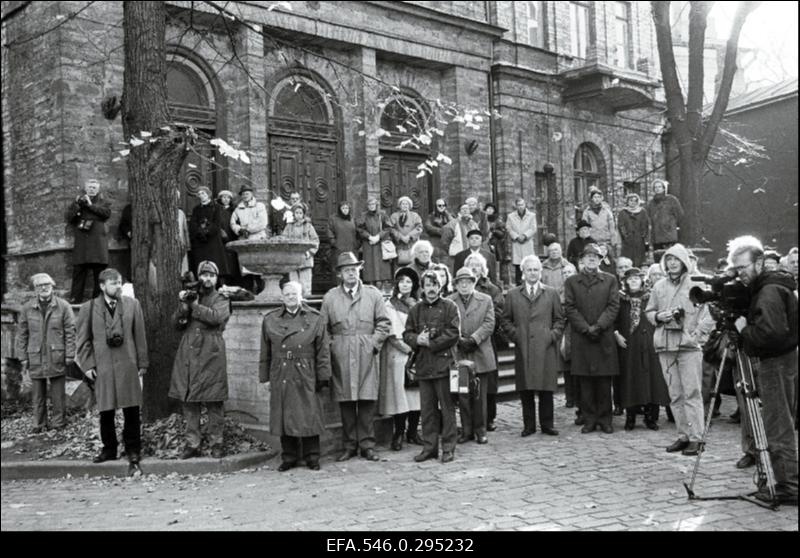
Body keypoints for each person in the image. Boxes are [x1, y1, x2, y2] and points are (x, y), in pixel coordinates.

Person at [729, 236, 798, 504]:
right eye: (735, 270)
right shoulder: (774, 286)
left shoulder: (769, 291)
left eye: (743, 268)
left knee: (778, 424)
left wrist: (743, 329)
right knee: (781, 422)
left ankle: (789, 487)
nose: (740, 275)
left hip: (776, 362)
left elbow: (769, 334)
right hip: (785, 359)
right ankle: (787, 481)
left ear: (759, 263)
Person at [75, 268, 148, 475]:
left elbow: (139, 336)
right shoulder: (89, 308)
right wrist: (88, 366)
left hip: (128, 364)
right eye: (113, 283)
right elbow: (83, 341)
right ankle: (109, 449)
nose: (118, 286)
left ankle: (133, 449)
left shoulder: (133, 305)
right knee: (106, 410)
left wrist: (142, 362)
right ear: (102, 286)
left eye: (119, 282)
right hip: (103, 366)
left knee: (131, 408)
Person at [321, 252, 391, 462]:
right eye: (346, 270)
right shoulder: (330, 297)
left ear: (359, 270)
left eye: (354, 268)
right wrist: (333, 346)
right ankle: (349, 445)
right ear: (340, 274)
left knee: (367, 400)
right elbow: (322, 329)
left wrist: (373, 343)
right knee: (346, 402)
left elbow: (384, 323)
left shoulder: (373, 294)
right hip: (341, 353)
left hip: (366, 351)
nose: (351, 272)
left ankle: (367, 445)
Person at [645, 244, 714, 456]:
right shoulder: (659, 286)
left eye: (676, 259)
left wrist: (696, 338)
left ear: (684, 261)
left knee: (692, 393)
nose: (672, 263)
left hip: (688, 348)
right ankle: (683, 435)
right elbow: (649, 310)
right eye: (669, 259)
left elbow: (710, 316)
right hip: (665, 346)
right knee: (675, 394)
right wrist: (658, 316)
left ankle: (697, 438)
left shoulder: (697, 283)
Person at [260, 281, 331, 471]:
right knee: (285, 414)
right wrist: (265, 377)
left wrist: (323, 376)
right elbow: (265, 351)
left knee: (309, 413)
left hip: (306, 370)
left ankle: (312, 456)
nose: (291, 297)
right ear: (282, 297)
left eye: (294, 294)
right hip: (281, 370)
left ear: (302, 296)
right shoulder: (270, 319)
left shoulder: (315, 318)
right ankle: (289, 456)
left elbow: (323, 351)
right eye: (287, 294)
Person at [169, 261, 231, 459]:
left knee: (214, 402)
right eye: (204, 275)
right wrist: (183, 308)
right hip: (189, 353)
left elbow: (216, 318)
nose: (207, 279)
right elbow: (176, 324)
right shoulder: (191, 296)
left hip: (211, 353)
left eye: (211, 275)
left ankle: (216, 442)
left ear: (216, 278)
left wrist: (194, 306)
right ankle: (192, 443)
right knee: (190, 401)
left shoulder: (221, 298)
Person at [502, 255, 565, 436]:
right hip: (524, 347)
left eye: (536, 269)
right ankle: (528, 425)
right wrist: (516, 335)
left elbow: (559, 319)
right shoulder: (514, 294)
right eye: (529, 269)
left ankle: (547, 424)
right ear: (523, 272)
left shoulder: (551, 293)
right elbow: (505, 320)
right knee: (526, 387)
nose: (532, 273)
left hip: (545, 347)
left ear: (541, 272)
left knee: (546, 387)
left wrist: (552, 336)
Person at [403, 270, 460, 463]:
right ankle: (430, 448)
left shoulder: (450, 307)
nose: (432, 289)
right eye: (428, 285)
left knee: (447, 408)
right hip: (424, 367)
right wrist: (416, 339)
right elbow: (407, 333)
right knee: (427, 410)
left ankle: (449, 448)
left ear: (441, 286)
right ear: (423, 287)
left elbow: (453, 333)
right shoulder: (415, 310)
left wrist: (432, 344)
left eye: (435, 285)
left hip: (444, 367)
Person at [564, 244, 620, 434]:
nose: (591, 259)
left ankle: (605, 419)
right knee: (585, 382)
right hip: (582, 338)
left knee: (604, 382)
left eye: (595, 257)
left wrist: (598, 326)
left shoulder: (610, 280)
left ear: (600, 260)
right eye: (588, 256)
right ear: (581, 260)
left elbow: (613, 306)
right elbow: (569, 308)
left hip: (603, 337)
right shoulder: (572, 282)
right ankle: (589, 419)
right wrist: (585, 328)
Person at [15, 273, 76, 433]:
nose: (43, 288)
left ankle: (58, 423)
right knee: (37, 395)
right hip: (35, 355)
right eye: (40, 285)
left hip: (56, 355)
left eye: (47, 285)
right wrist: (22, 357)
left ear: (52, 286)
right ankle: (39, 424)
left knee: (58, 393)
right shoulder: (27, 308)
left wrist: (70, 354)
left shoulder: (63, 306)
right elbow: (22, 334)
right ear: (35, 289)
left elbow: (70, 332)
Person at [614, 268, 669, 430]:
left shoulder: (651, 297)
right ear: (625, 281)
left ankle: (650, 417)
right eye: (630, 279)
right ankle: (630, 416)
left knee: (651, 378)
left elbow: (658, 317)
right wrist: (616, 334)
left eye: (636, 278)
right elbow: (614, 319)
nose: (633, 281)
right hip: (628, 345)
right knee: (630, 378)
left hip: (649, 343)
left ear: (642, 280)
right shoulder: (620, 299)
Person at [449, 267, 496, 444]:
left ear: (473, 283)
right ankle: (466, 430)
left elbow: (489, 323)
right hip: (458, 353)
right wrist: (458, 339)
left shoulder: (485, 300)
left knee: (480, 396)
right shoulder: (450, 301)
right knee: (462, 394)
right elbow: (448, 323)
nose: (464, 285)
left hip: (480, 353)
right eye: (460, 282)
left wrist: (474, 339)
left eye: (468, 281)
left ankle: (480, 430)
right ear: (456, 284)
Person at [379, 267, 422, 451]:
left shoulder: (418, 304)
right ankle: (398, 433)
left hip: (418, 354)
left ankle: (413, 432)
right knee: (400, 396)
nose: (405, 285)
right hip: (399, 354)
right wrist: (408, 348)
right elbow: (393, 333)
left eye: (409, 282)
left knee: (416, 395)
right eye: (402, 281)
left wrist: (419, 346)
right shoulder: (390, 305)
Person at [540, 243, 577, 408]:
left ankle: (579, 397)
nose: (567, 275)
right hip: (562, 325)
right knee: (565, 361)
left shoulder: (578, 287)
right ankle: (570, 397)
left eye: (570, 272)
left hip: (576, 327)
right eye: (565, 273)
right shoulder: (558, 291)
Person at [66, 178, 112, 303]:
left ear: (98, 189)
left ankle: (98, 302)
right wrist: (78, 206)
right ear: (85, 188)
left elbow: (106, 214)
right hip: (82, 244)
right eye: (90, 187)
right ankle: (75, 301)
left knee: (99, 275)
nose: (92, 189)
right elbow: (70, 218)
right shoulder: (77, 201)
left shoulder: (104, 201)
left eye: (94, 187)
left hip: (98, 244)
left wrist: (90, 205)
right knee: (79, 274)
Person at [189, 186, 229, 277]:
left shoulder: (216, 207)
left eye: (203, 193)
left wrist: (207, 231)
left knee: (215, 265)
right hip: (200, 242)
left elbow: (217, 223)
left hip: (213, 241)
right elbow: (193, 223)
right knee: (201, 266)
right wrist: (200, 232)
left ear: (208, 195)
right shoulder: (196, 209)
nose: (201, 195)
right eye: (199, 194)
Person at [283, 203, 319, 297]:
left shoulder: (308, 226)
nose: (298, 215)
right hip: (292, 259)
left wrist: (309, 253)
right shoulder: (289, 227)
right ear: (293, 214)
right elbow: (283, 240)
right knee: (293, 285)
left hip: (305, 259)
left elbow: (315, 241)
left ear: (303, 214)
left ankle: (306, 303)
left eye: (300, 213)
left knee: (305, 285)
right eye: (296, 213)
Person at [355, 197, 393, 287]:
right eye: (369, 204)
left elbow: (388, 227)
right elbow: (359, 228)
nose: (371, 206)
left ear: (376, 205)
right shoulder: (363, 215)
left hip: (380, 244)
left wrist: (379, 236)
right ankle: (370, 284)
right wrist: (369, 237)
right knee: (369, 266)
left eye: (373, 204)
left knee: (381, 267)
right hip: (368, 244)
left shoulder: (382, 215)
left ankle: (382, 285)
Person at [582, 187, 619, 260]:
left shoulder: (607, 211)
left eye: (599, 197)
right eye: (595, 197)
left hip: (606, 241)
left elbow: (611, 226)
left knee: (609, 260)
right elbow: (584, 227)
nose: (597, 199)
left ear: (602, 198)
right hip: (593, 241)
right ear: (592, 198)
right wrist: (586, 240)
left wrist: (613, 240)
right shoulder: (587, 211)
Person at [506, 198, 537, 285]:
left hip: (527, 242)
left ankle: (530, 282)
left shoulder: (531, 215)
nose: (520, 207)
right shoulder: (510, 216)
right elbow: (508, 228)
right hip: (517, 243)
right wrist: (516, 236)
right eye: (518, 205)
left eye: (522, 205)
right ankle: (519, 284)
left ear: (525, 205)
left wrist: (525, 236)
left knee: (529, 263)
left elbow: (533, 228)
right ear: (516, 206)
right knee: (518, 266)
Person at [647, 179, 684, 250]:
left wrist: (670, 223)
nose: (657, 189)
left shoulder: (672, 200)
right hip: (656, 236)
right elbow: (648, 217)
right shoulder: (651, 203)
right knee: (658, 256)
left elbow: (679, 214)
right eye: (655, 187)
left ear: (664, 188)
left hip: (669, 235)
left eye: (659, 187)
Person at [441, 202, 479, 270]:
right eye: (463, 209)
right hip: (456, 258)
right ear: (459, 211)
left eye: (467, 209)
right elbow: (445, 242)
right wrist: (453, 250)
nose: (465, 210)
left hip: (472, 258)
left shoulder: (474, 224)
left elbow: (478, 239)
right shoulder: (452, 224)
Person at [618, 193, 651, 267]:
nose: (633, 202)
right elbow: (621, 225)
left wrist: (644, 235)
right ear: (627, 201)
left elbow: (646, 225)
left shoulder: (642, 212)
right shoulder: (623, 212)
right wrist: (625, 236)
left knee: (639, 260)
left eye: (635, 201)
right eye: (631, 200)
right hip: (627, 241)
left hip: (639, 240)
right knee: (627, 259)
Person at [390, 196, 423, 267]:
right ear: (399, 205)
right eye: (402, 204)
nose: (405, 205)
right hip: (399, 245)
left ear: (409, 206)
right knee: (400, 266)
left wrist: (409, 236)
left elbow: (419, 227)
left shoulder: (415, 215)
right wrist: (400, 236)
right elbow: (391, 229)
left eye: (406, 204)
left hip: (411, 244)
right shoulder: (394, 216)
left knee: (413, 265)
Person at [328, 201, 359, 275]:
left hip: (352, 248)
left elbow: (358, 232)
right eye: (343, 208)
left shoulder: (353, 219)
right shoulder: (333, 219)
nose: (345, 210)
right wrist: (334, 243)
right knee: (340, 270)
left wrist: (357, 244)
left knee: (352, 268)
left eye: (347, 208)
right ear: (340, 209)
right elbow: (330, 232)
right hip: (338, 249)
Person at [484, 202, 508, 287]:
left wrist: (493, 231)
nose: (489, 210)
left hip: (496, 246)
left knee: (495, 265)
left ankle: (497, 283)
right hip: (484, 244)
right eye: (488, 208)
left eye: (491, 209)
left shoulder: (498, 220)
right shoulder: (483, 219)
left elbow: (502, 233)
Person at [424, 198, 453, 263]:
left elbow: (453, 226)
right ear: (436, 206)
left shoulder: (449, 216)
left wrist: (445, 231)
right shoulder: (431, 216)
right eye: (439, 205)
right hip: (435, 242)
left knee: (446, 262)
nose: (442, 207)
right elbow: (428, 227)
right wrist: (440, 231)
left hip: (446, 244)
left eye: (443, 205)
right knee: (435, 261)